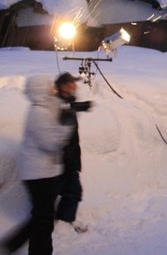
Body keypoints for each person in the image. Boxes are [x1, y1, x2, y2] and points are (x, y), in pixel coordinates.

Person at [2, 75, 74, 255]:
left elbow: (61, 108)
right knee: (44, 220)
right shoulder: (39, 113)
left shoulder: (45, 108)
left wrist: (69, 107)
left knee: (43, 216)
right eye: (50, 87)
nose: (53, 89)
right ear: (41, 89)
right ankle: (25, 247)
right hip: (39, 175)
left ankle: (13, 244)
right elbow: (51, 143)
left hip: (44, 172)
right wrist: (67, 124)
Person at [54, 72, 92, 233]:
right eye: (71, 84)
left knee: (70, 190)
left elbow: (67, 107)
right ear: (63, 86)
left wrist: (81, 106)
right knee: (73, 190)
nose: (75, 86)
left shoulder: (67, 101)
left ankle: (62, 219)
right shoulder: (56, 103)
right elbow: (61, 111)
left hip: (69, 156)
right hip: (62, 158)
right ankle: (63, 220)